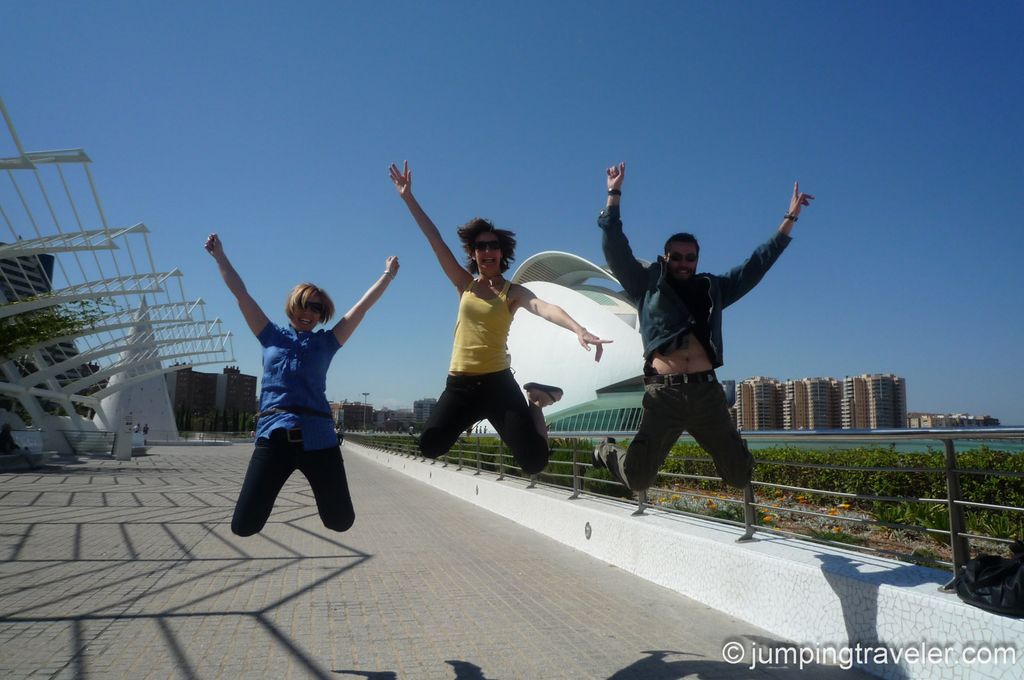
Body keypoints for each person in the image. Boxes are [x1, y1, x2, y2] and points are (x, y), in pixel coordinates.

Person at [592, 162, 814, 492]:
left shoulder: (713, 288)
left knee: (740, 476)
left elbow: (756, 265)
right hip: (663, 395)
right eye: (677, 256)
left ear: (697, 259)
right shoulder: (646, 284)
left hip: (707, 394)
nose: (684, 263)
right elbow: (615, 247)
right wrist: (614, 195)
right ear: (665, 258)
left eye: (690, 257)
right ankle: (606, 449)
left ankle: (734, 443)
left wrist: (789, 219)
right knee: (638, 479)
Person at [388, 160, 610, 473]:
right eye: (481, 247)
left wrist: (579, 329)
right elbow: (435, 240)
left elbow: (545, 307)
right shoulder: (464, 283)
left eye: (493, 246)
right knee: (430, 444)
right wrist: (408, 197)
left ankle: (536, 401)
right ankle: (474, 413)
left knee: (534, 461)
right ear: (474, 253)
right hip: (460, 386)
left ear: (501, 253)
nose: (487, 251)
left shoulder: (513, 292)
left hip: (497, 383)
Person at [205, 232, 398, 536]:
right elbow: (242, 295)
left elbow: (360, 309)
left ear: (323, 315)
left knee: (340, 521)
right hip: (274, 437)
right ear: (293, 305)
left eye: (317, 308)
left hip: (319, 439)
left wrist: (386, 276)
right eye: (305, 304)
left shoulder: (327, 343)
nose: (309, 312)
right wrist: (220, 256)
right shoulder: (270, 336)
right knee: (243, 526)